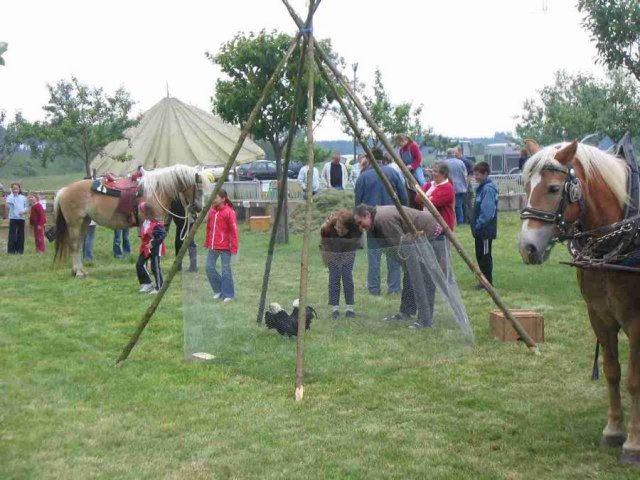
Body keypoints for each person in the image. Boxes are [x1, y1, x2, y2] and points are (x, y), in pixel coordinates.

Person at [353, 204, 443, 328]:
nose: (360, 227)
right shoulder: (377, 220)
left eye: (360, 222)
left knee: (424, 276)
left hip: (430, 232)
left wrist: (409, 264)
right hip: (415, 237)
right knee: (410, 273)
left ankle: (425, 319)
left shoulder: (384, 220)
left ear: (367, 215)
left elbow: (401, 248)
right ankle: (406, 311)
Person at [355, 148, 408, 295]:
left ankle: (374, 288)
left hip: (370, 221)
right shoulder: (393, 173)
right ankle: (394, 288)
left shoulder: (363, 176)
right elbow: (403, 197)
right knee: (394, 255)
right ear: (382, 159)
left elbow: (358, 203)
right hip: (392, 220)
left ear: (369, 159)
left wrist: (359, 222)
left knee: (374, 256)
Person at [320, 209, 361, 319]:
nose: (336, 228)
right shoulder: (328, 228)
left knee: (347, 276)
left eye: (340, 227)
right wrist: (327, 257)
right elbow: (324, 244)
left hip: (348, 252)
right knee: (334, 278)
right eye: (336, 226)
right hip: (332, 252)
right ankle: (335, 309)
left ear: (347, 228)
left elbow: (355, 246)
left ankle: (349, 308)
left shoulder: (356, 230)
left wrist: (344, 261)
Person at [205, 189, 238, 302]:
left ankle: (229, 294)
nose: (213, 199)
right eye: (212, 196)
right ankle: (218, 290)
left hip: (225, 247)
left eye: (216, 197)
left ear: (223, 198)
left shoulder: (229, 212)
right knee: (209, 268)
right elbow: (209, 228)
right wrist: (207, 242)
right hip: (213, 246)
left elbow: (234, 231)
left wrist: (234, 247)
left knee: (226, 271)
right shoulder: (212, 212)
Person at [471, 161, 498, 287]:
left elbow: (487, 212)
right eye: (474, 174)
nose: (475, 177)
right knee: (479, 255)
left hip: (485, 230)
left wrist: (478, 224)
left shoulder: (488, 189)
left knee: (485, 256)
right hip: (479, 230)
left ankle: (488, 282)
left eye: (478, 175)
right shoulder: (481, 188)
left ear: (486, 174)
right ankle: (483, 281)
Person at [136, 202, 167, 294]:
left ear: (146, 212)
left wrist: (153, 243)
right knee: (139, 264)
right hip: (145, 247)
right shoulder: (145, 222)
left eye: (140, 211)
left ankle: (159, 286)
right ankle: (147, 283)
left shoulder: (155, 224)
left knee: (155, 267)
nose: (139, 213)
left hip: (155, 248)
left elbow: (162, 234)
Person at [416, 161, 455, 231]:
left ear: (443, 174)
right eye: (432, 170)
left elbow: (433, 203)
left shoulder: (448, 188)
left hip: (442, 225)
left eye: (435, 171)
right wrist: (427, 198)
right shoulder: (429, 184)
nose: (432, 173)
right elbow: (417, 198)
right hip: (427, 222)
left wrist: (424, 198)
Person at [166, 199, 198, 272]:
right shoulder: (173, 198)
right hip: (180, 224)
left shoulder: (187, 196)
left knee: (191, 243)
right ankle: (178, 266)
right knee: (178, 243)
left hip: (189, 223)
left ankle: (193, 266)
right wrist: (166, 226)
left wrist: (195, 222)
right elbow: (169, 212)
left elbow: (197, 209)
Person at [395, 134, 425, 208]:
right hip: (407, 169)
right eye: (399, 142)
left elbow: (418, 158)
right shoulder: (401, 150)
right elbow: (403, 161)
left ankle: (425, 195)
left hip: (416, 167)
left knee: (421, 181)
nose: (401, 143)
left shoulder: (413, 146)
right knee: (400, 179)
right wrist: (404, 167)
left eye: (402, 141)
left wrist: (412, 166)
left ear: (406, 140)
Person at [445, 148, 468, 225]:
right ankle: (460, 222)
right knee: (459, 205)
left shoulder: (444, 163)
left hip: (449, 187)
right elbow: (465, 174)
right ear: (454, 154)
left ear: (447, 154)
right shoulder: (461, 162)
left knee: (449, 206)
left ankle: (450, 221)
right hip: (460, 187)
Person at [6, 182, 28, 254]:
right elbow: (8, 203)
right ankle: (11, 251)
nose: (15, 190)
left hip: (21, 218)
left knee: (21, 234)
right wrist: (12, 194)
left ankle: (20, 251)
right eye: (14, 189)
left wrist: (23, 211)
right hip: (13, 218)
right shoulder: (10, 197)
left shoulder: (23, 198)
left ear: (19, 189)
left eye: (17, 189)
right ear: (12, 189)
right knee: (12, 234)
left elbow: (27, 207)